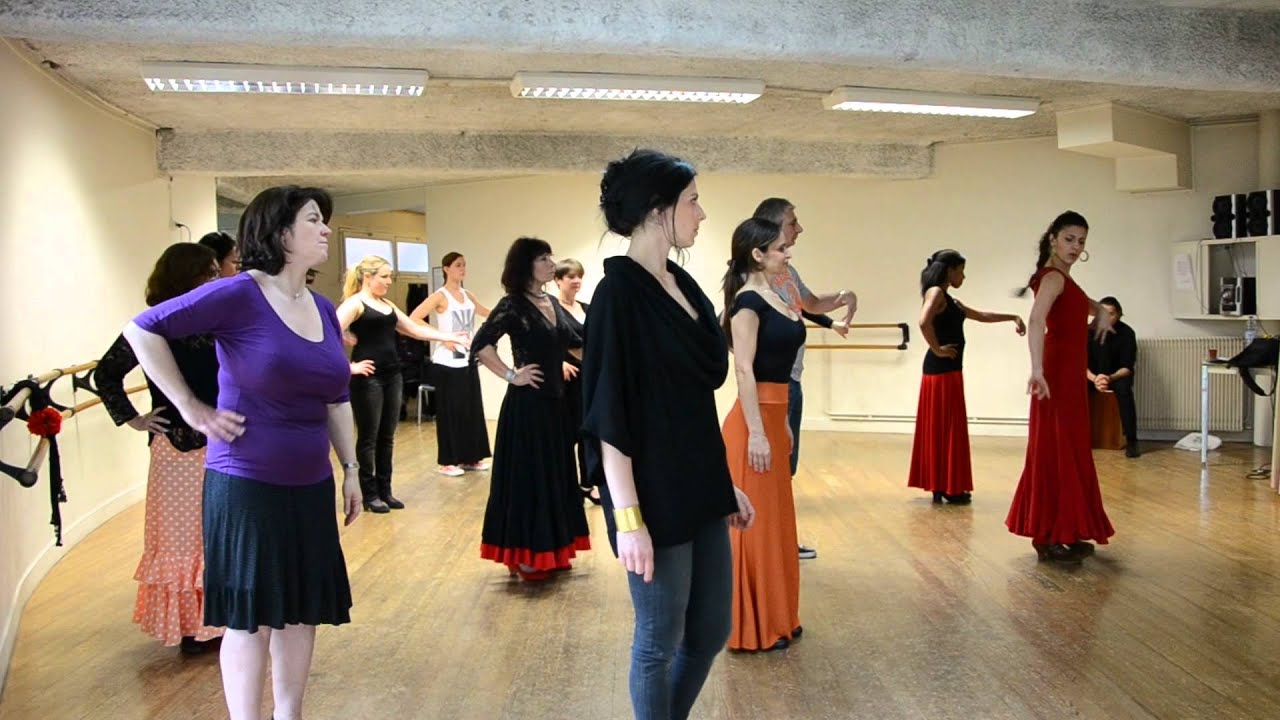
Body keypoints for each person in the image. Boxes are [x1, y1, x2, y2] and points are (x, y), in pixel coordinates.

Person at [123, 185, 360, 720]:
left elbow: (337, 397)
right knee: (250, 618)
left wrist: (351, 469)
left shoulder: (322, 308)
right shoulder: (238, 294)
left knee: (301, 613)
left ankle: (289, 714)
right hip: (247, 482)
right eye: (314, 220)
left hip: (310, 482)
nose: (325, 230)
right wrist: (190, 406)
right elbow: (141, 329)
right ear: (279, 234)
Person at [581, 148, 756, 720]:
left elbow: (693, 404)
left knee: (708, 631)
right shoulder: (618, 297)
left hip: (698, 485)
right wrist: (627, 519)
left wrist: (722, 483)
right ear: (659, 211)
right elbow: (610, 416)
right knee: (658, 641)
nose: (702, 214)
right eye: (693, 201)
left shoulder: (678, 283)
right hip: (651, 496)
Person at [93, 242, 224, 654]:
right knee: (184, 541)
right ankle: (191, 628)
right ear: (189, 277)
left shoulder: (216, 319)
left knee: (217, 535)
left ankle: (221, 621)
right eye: (209, 272)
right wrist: (135, 419)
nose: (217, 279)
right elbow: (106, 374)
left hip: (223, 444)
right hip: (178, 450)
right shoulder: (154, 325)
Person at [470, 237, 591, 580]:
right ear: (526, 265)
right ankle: (526, 553)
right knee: (530, 479)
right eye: (542, 258)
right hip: (527, 407)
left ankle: (554, 547)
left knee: (555, 475)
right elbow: (482, 345)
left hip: (556, 405)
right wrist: (512, 375)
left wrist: (603, 364)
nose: (550, 263)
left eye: (550, 256)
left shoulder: (551, 301)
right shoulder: (513, 305)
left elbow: (574, 345)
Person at [1006, 211, 1116, 565]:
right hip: (1055, 373)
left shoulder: (1063, 279)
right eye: (1069, 239)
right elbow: (1038, 319)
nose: (1075, 246)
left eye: (1081, 241)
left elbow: (1079, 305)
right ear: (1053, 238)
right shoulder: (1053, 277)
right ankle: (1048, 534)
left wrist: (1100, 310)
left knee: (1068, 447)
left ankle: (1065, 529)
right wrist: (1037, 369)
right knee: (1055, 448)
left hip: (1066, 373)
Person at [720, 218, 807, 652]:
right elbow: (744, 368)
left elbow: (777, 374)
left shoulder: (774, 295)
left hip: (773, 417)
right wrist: (756, 431)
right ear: (757, 254)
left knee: (775, 524)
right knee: (753, 529)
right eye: (779, 249)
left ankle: (779, 616)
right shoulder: (748, 302)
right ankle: (751, 625)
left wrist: (783, 421)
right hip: (752, 425)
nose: (787, 253)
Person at [753, 198, 856, 560]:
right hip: (774, 386)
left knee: (784, 466)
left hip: (789, 382)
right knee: (774, 466)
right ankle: (771, 540)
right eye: (793, 222)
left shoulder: (785, 274)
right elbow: (736, 329)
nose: (799, 228)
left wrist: (842, 299)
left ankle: (777, 537)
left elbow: (808, 304)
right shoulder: (755, 279)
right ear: (773, 226)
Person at [338, 256, 470, 512]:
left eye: (390, 276)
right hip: (368, 378)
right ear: (368, 277)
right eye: (385, 276)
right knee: (369, 437)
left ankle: (385, 491)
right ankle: (369, 494)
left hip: (392, 374)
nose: (389, 281)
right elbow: (327, 333)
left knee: (387, 437)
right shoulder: (355, 304)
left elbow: (413, 329)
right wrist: (349, 366)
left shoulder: (386, 304)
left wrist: (447, 336)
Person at [909, 250, 1025, 504]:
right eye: (961, 270)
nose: (964, 275)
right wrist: (937, 349)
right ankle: (946, 486)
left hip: (947, 372)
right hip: (941, 372)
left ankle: (944, 485)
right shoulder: (936, 293)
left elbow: (982, 315)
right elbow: (922, 321)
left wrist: (1012, 317)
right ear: (950, 270)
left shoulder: (950, 299)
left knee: (946, 428)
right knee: (946, 428)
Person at [410, 252, 493, 477]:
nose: (462, 269)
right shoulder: (439, 296)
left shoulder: (467, 294)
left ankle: (471, 457)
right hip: (447, 362)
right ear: (446, 268)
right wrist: (441, 336)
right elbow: (414, 318)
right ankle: (448, 460)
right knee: (450, 411)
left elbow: (485, 312)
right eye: (458, 265)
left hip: (467, 358)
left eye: (464, 265)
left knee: (471, 409)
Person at [554, 258, 598, 504]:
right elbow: (548, 341)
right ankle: (566, 486)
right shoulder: (552, 308)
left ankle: (588, 483)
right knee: (567, 433)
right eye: (570, 277)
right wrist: (557, 363)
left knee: (588, 432)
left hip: (587, 376)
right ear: (558, 280)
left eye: (579, 276)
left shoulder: (586, 308)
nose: (576, 280)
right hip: (565, 380)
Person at [1087, 296, 1139, 458]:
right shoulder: (1087, 332)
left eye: (1111, 314)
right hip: (1092, 376)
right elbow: (1080, 364)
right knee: (1071, 387)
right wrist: (1095, 378)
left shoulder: (1126, 333)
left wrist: (1108, 378)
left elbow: (1127, 368)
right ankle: (1076, 438)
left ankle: (1132, 441)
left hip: (1116, 376)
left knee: (1124, 390)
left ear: (1119, 315)